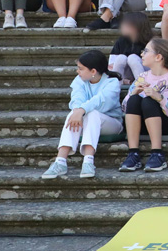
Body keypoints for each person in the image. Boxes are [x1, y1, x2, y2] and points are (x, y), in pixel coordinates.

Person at [40, 50, 123, 179]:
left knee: (92, 113)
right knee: (73, 114)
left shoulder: (112, 82)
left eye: (81, 68)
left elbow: (101, 102)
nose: (77, 71)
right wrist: (77, 111)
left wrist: (81, 110)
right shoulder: (80, 80)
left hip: (112, 124)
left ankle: (88, 161)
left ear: (93, 71)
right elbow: (76, 98)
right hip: (87, 123)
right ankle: (60, 161)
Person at [117, 38, 168, 173]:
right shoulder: (142, 77)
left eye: (146, 51)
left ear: (158, 57)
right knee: (134, 99)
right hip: (142, 125)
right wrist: (133, 93)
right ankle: (133, 153)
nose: (141, 54)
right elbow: (125, 108)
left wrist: (160, 98)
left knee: (149, 101)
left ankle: (157, 153)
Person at [109, 12, 153, 85]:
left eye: (126, 24)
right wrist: (126, 81)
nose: (122, 26)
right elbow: (111, 66)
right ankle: (114, 86)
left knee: (133, 58)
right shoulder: (121, 41)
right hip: (125, 76)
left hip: (146, 73)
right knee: (121, 58)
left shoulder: (150, 42)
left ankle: (142, 85)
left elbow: (154, 64)